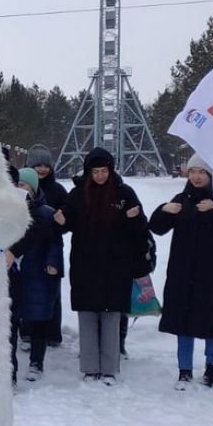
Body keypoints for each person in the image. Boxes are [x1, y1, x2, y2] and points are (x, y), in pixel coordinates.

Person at [149, 154, 213, 389]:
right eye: (192, 171)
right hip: (182, 272)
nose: (195, 176)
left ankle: (212, 370)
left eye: (201, 172)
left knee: (212, 321)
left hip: (212, 273)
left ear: (212, 175)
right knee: (183, 321)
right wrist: (164, 210)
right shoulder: (182, 199)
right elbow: (156, 228)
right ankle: (184, 370)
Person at [53, 147, 147, 384]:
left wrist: (135, 218)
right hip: (85, 263)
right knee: (87, 316)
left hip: (116, 265)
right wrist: (62, 219)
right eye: (95, 171)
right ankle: (89, 367)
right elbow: (66, 221)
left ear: (111, 170)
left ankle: (108, 369)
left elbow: (141, 230)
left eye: (103, 171)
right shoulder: (77, 194)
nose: (100, 176)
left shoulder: (124, 193)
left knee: (111, 317)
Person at [8, 168, 62, 384]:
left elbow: (54, 242)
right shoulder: (7, 213)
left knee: (39, 317)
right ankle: (10, 367)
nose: (20, 189)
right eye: (17, 185)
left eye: (24, 186)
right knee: (12, 319)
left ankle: (36, 362)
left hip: (37, 272)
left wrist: (52, 262)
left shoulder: (45, 213)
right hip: (14, 273)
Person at [27, 143, 68, 347]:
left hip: (51, 246)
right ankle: (27, 332)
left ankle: (53, 333)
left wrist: (63, 222)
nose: (42, 169)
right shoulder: (23, 188)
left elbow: (68, 218)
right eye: (38, 165)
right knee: (27, 290)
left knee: (52, 292)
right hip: (28, 246)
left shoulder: (58, 190)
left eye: (46, 165)